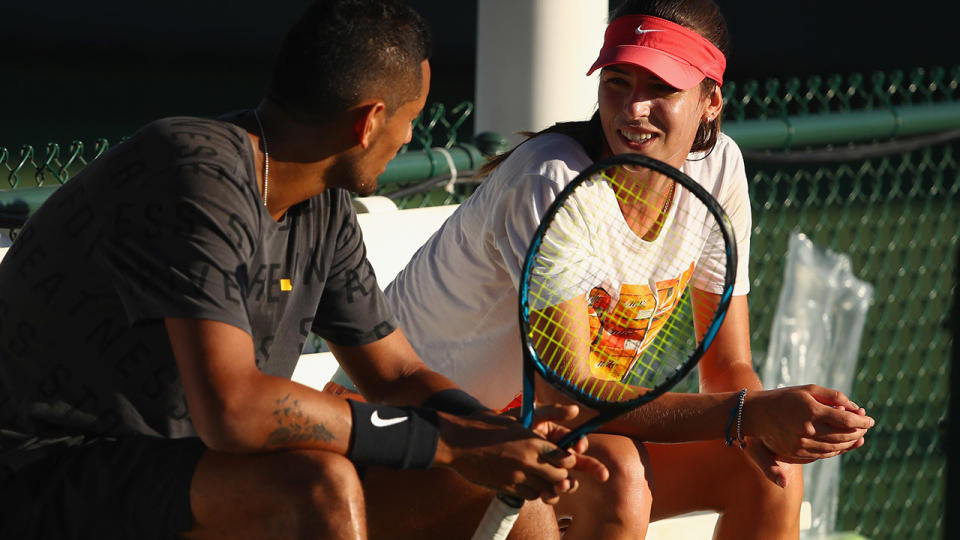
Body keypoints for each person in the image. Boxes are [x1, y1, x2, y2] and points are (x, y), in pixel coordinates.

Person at [0, 1, 609, 539]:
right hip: (48, 471)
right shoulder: (192, 174)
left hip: (192, 470)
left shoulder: (321, 203)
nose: (411, 135)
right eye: (411, 117)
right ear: (368, 121)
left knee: (499, 494)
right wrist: (453, 442)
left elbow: (393, 371)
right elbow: (236, 408)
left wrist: (497, 436)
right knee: (317, 486)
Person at [364, 0, 877, 538]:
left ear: (710, 101)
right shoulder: (551, 181)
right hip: (410, 440)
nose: (633, 108)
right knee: (618, 478)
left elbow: (728, 369)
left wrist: (759, 424)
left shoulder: (721, 168)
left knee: (771, 475)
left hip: (540, 432)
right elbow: (571, 393)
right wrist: (746, 414)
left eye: (661, 87)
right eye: (618, 82)